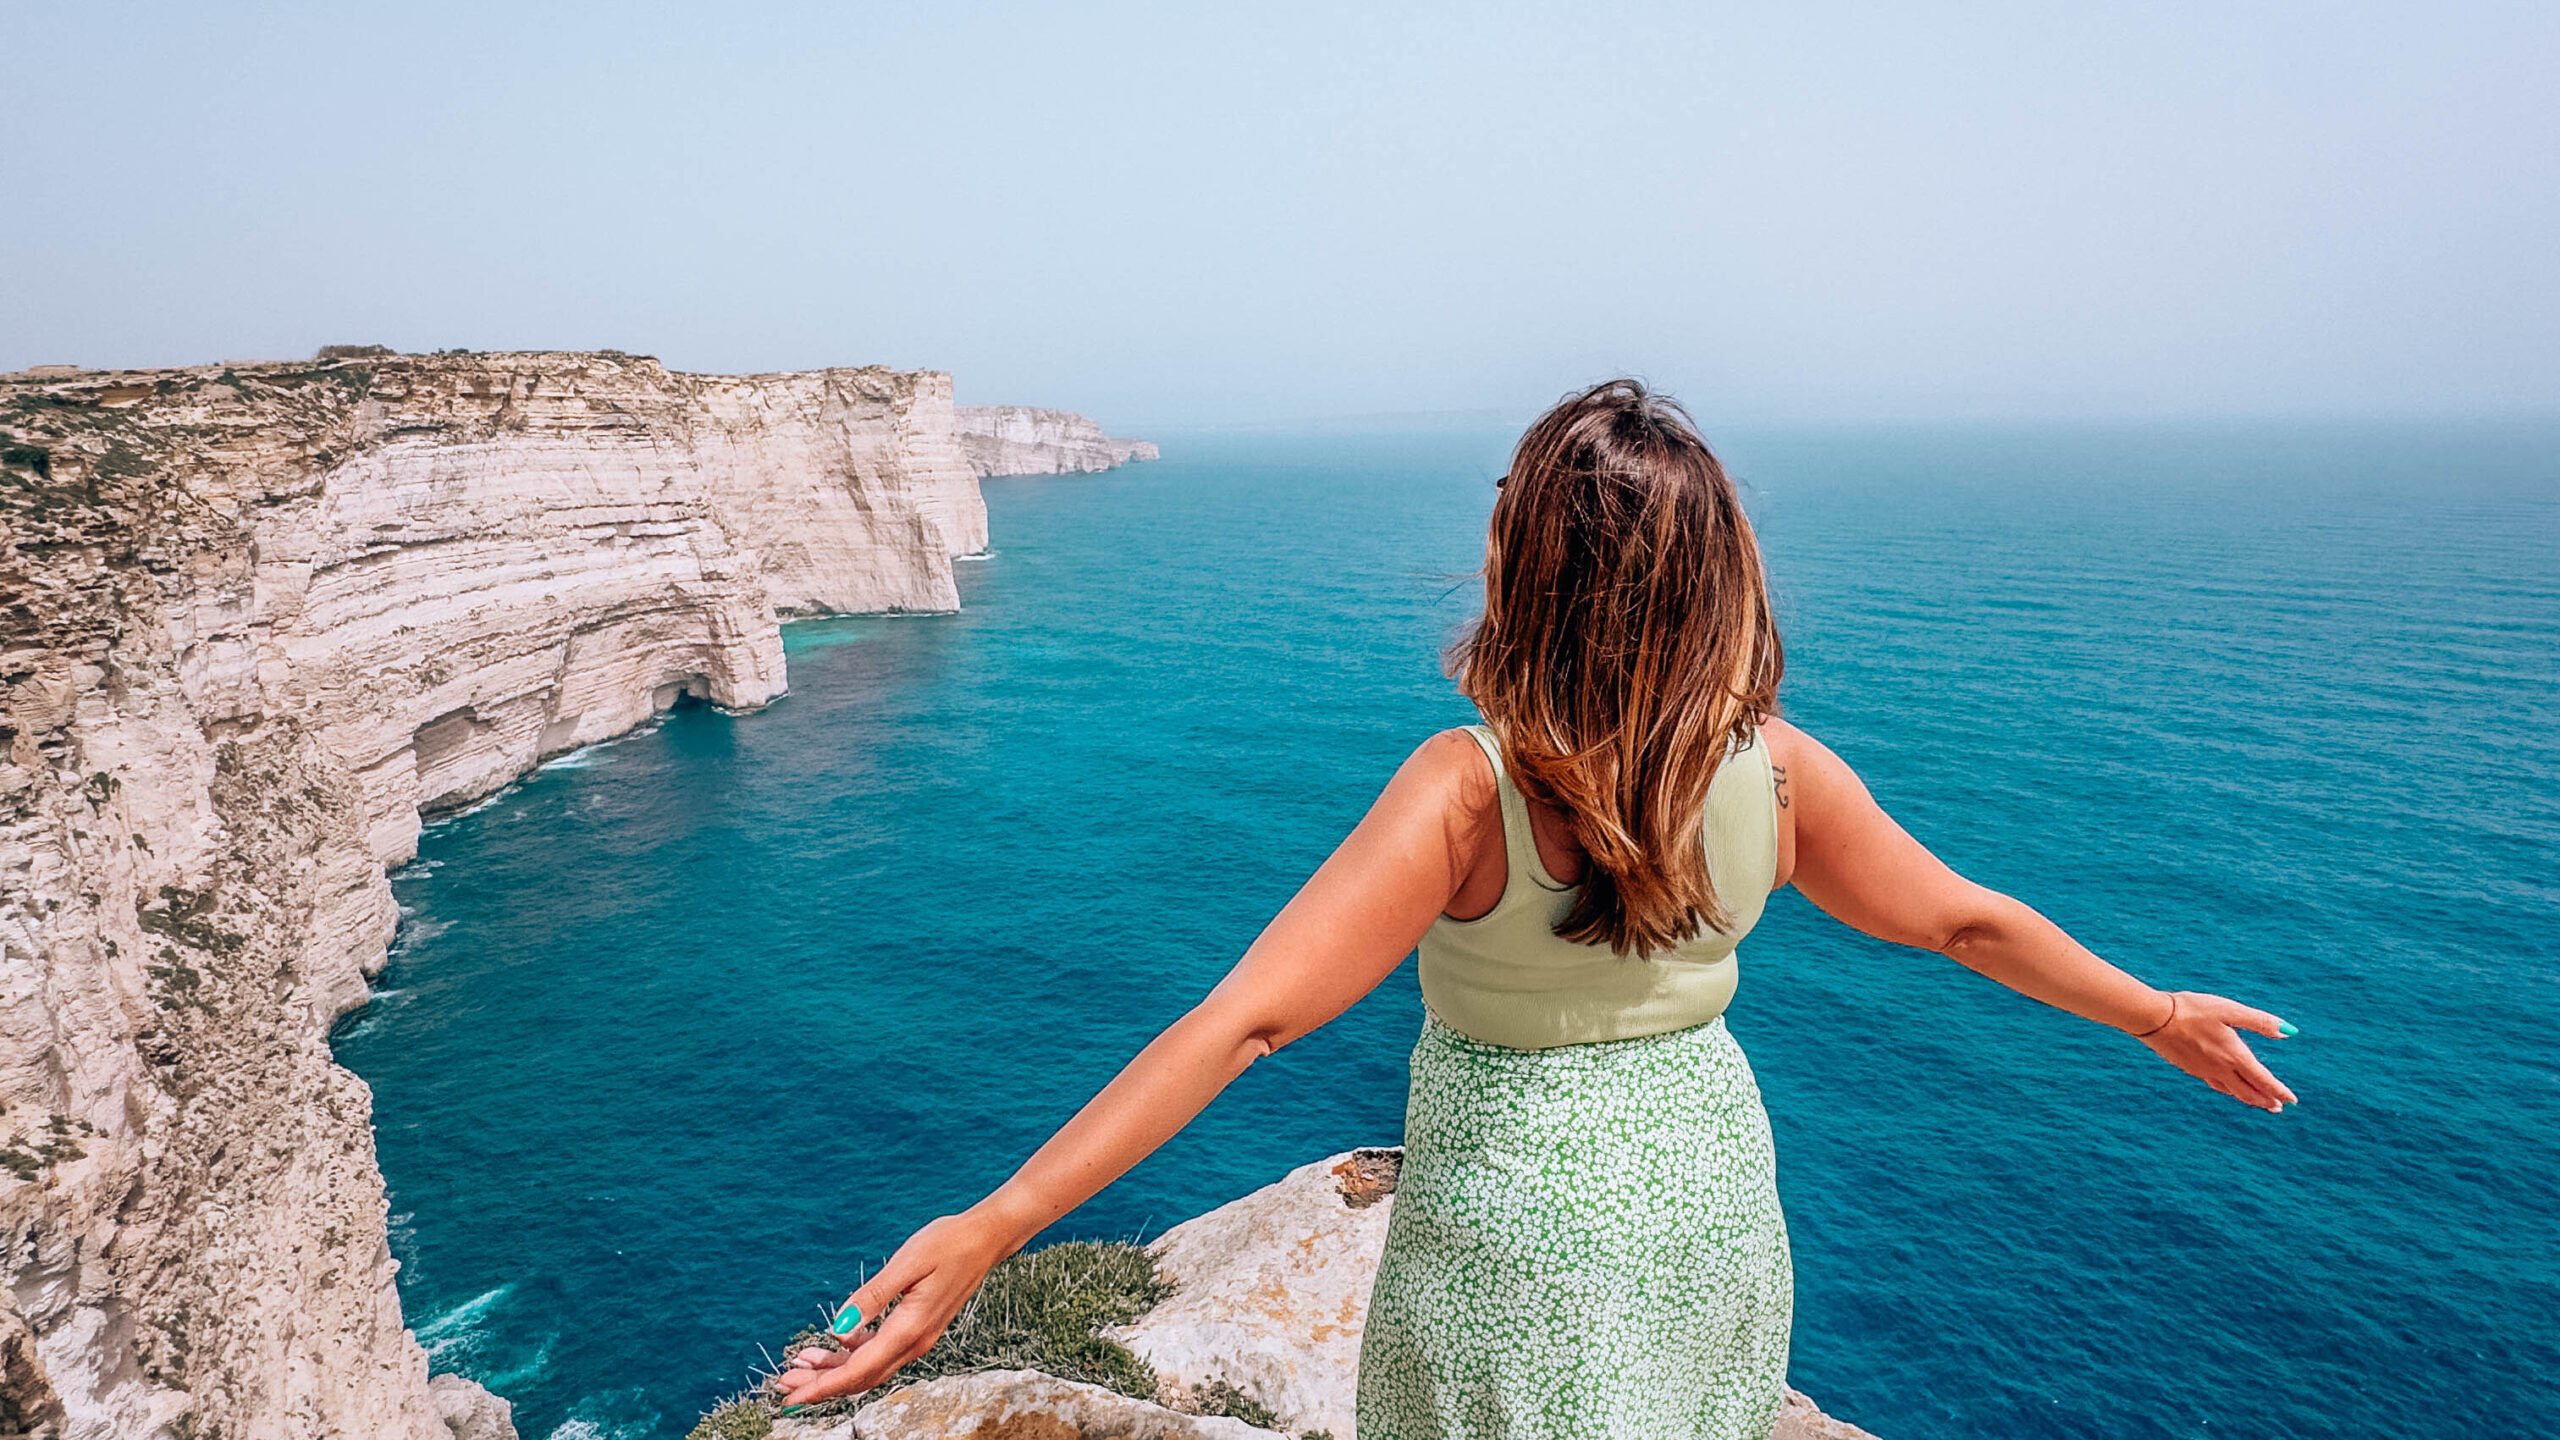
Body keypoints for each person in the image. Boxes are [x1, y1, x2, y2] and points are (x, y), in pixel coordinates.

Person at [770, 379, 2298, 1438]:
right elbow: (1965, 923)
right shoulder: (1780, 772)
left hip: (1518, 1240)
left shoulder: (1468, 789)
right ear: (1715, 580)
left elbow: (1247, 1023)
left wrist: (997, 1222)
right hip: (1710, 1210)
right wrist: (2157, 1012)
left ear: (1530, 567)